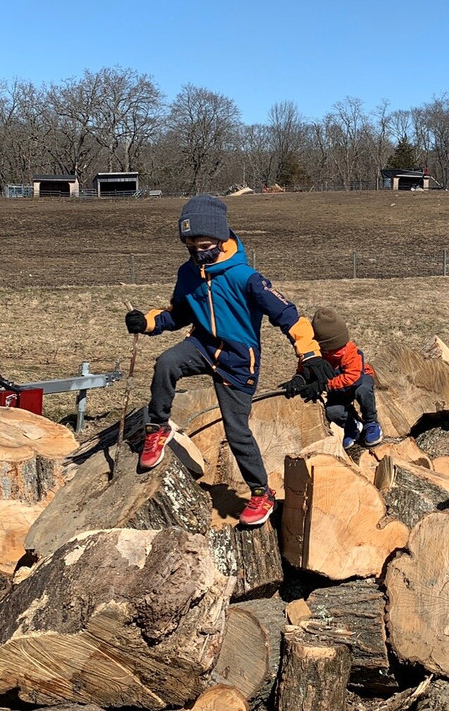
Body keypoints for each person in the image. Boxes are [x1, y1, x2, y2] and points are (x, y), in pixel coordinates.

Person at [125, 194, 333, 526]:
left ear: (221, 238)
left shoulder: (246, 277)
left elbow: (289, 315)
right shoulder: (189, 273)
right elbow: (178, 314)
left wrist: (309, 354)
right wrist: (148, 322)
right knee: (167, 363)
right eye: (190, 246)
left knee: (236, 431)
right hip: (202, 346)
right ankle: (158, 427)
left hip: (238, 360)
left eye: (203, 244)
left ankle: (260, 493)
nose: (197, 252)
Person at [283, 307, 382, 448]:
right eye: (336, 348)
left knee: (364, 389)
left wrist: (325, 385)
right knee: (332, 411)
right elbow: (305, 369)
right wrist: (299, 379)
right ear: (322, 348)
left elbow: (354, 378)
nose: (341, 350)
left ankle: (371, 422)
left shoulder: (350, 351)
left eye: (342, 345)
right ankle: (352, 426)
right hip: (337, 390)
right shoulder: (315, 356)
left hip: (357, 382)